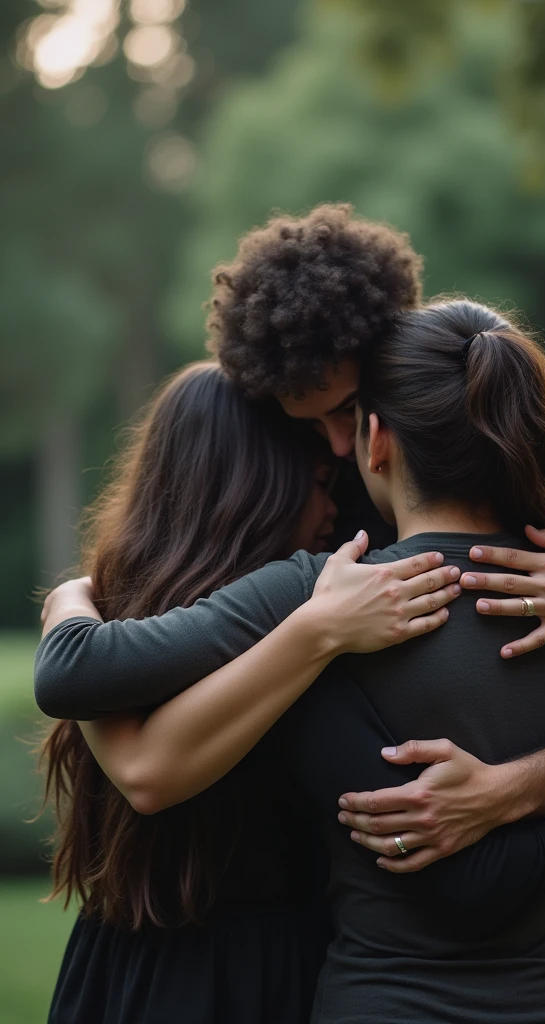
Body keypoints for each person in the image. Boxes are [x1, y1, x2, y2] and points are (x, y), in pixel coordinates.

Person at [40, 204, 545, 1021]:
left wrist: (525, 781)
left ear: (389, 361)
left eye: (346, 416)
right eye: (308, 426)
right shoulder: (327, 499)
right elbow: (152, 735)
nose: (338, 453)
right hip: (382, 937)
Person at [38, 360, 466, 1024]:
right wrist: (318, 630)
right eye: (320, 485)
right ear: (250, 492)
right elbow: (147, 773)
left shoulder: (111, 614)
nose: (334, 510)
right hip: (232, 977)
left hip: (134, 971)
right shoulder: (141, 629)